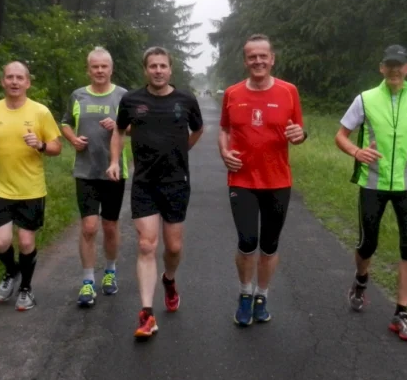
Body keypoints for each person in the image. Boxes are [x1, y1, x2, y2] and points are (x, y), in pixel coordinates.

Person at [334, 45, 407, 342]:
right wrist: (356, 151)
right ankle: (361, 279)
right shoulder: (365, 100)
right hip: (373, 183)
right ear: (382, 68)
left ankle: (401, 314)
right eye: (389, 65)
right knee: (367, 244)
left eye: (400, 65)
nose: (395, 70)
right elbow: (340, 135)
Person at [107, 46, 204, 340]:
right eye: (153, 66)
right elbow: (119, 130)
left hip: (176, 182)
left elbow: (197, 130)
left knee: (172, 248)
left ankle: (169, 279)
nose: (158, 70)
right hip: (144, 183)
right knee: (147, 245)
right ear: (145, 69)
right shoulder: (131, 100)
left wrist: (180, 150)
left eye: (163, 65)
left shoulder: (185, 100)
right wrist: (114, 161)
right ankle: (146, 314)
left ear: (170, 69)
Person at [219, 34, 306, 326]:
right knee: (247, 241)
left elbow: (298, 131)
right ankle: (245, 294)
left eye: (262, 56)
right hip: (241, 179)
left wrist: (301, 136)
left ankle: (262, 295)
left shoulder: (289, 91)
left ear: (272, 59)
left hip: (278, 180)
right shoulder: (232, 93)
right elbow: (224, 130)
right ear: (245, 61)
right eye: (252, 57)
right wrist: (224, 152)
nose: (258, 61)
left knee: (269, 245)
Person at [0, 61, 62, 311]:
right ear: (2, 82)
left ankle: (26, 289)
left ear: (27, 83)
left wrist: (41, 145)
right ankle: (11, 272)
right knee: (0, 243)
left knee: (25, 242)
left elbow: (56, 147)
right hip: (0, 189)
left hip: (31, 189)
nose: (14, 82)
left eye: (19, 78)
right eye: (9, 77)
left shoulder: (40, 112)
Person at [60, 47, 127, 307]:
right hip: (85, 171)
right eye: (95, 67)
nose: (99, 71)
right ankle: (88, 281)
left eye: (104, 66)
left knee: (110, 225)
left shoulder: (122, 96)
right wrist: (72, 139)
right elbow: (65, 122)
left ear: (111, 69)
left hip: (113, 170)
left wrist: (119, 125)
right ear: (88, 69)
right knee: (89, 227)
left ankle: (110, 272)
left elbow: (135, 127)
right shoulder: (78, 95)